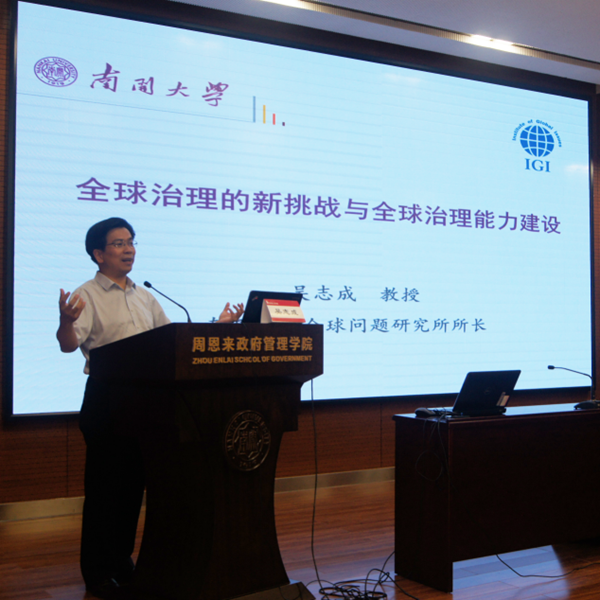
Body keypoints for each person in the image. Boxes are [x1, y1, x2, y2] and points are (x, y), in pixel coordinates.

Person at [57, 217, 244, 599]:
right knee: (106, 489)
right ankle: (97, 572)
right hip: (108, 398)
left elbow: (172, 342)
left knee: (133, 487)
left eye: (131, 241)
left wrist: (218, 324)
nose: (128, 249)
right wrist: (65, 321)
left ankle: (121, 560)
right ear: (98, 254)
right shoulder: (86, 295)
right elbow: (68, 345)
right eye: (118, 243)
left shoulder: (145, 295)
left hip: (148, 402)